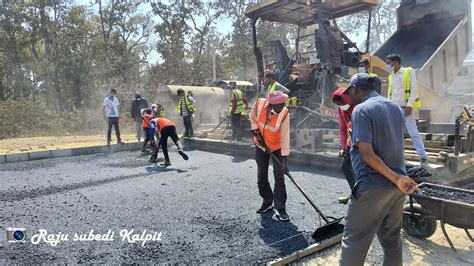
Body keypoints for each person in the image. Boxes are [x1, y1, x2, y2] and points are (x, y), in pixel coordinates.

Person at [339, 73, 419, 265]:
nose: (349, 96)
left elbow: (367, 154)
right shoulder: (394, 107)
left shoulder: (361, 110)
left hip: (373, 186)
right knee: (392, 238)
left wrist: (396, 179)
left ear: (356, 89)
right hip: (397, 186)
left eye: (350, 91)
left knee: (355, 240)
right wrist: (398, 179)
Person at [250, 91, 291, 221]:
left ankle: (280, 208)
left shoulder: (284, 113)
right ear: (271, 105)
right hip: (260, 145)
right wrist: (256, 132)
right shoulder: (259, 104)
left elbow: (285, 138)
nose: (282, 107)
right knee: (261, 175)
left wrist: (284, 161)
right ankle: (267, 201)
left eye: (283, 104)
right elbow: (252, 117)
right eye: (279, 106)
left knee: (279, 177)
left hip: (277, 147)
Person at [385, 53, 428, 167]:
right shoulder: (391, 76)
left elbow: (414, 89)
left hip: (406, 108)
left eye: (388, 62)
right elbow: (391, 93)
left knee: (413, 132)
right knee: (396, 134)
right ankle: (400, 156)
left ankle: (423, 157)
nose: (387, 65)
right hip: (394, 108)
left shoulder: (409, 71)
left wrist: (409, 105)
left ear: (395, 62)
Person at [331, 88, 356, 204]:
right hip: (350, 143)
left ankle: (362, 197)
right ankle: (355, 194)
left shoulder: (357, 107)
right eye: (338, 105)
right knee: (345, 166)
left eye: (342, 104)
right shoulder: (341, 109)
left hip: (362, 142)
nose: (341, 106)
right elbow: (343, 127)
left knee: (361, 171)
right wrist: (343, 147)